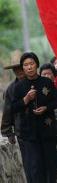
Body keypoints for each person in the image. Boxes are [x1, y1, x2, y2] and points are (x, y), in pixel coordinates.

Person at [11, 52, 57, 183]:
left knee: (50, 165)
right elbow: (13, 107)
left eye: (32, 64)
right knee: (34, 166)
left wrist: (46, 108)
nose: (29, 67)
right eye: (26, 65)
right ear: (23, 68)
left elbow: (56, 101)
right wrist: (25, 100)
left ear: (37, 65)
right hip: (28, 133)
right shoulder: (18, 87)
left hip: (47, 130)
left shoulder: (47, 82)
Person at [1, 50, 29, 178]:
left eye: (20, 67)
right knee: (29, 163)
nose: (18, 71)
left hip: (41, 128)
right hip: (22, 130)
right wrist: (8, 132)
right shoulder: (10, 89)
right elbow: (7, 111)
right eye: (15, 68)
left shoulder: (37, 82)